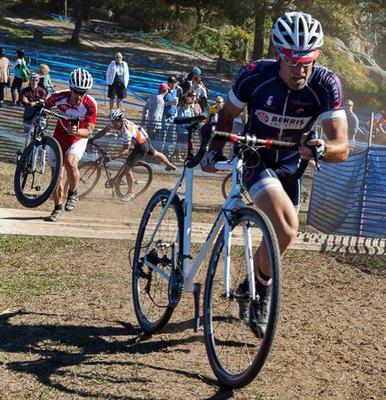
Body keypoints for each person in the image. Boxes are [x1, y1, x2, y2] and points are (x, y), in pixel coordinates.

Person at [201, 11, 349, 337]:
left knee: (282, 236)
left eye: (307, 61)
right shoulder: (254, 74)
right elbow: (226, 116)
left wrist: (323, 147)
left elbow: (342, 145)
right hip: (255, 156)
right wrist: (217, 150)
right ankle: (262, 293)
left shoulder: (326, 84)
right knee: (286, 225)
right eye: (292, 61)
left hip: (293, 166)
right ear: (277, 55)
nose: (301, 69)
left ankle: (253, 286)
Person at [44, 68, 97, 222]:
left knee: (70, 161)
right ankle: (57, 207)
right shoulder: (59, 97)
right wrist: (40, 116)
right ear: (71, 89)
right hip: (59, 136)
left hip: (77, 136)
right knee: (56, 175)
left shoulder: (90, 104)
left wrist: (75, 132)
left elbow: (88, 131)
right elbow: (45, 106)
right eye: (77, 92)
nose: (80, 96)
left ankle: (73, 193)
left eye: (84, 92)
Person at [91, 109, 176, 201]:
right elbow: (103, 131)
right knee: (155, 153)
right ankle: (168, 164)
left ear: (120, 120)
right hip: (143, 137)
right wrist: (92, 138)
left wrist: (112, 157)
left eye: (115, 122)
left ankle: (131, 192)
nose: (113, 124)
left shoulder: (126, 131)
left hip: (141, 146)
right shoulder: (117, 123)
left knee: (128, 168)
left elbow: (125, 151)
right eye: (112, 122)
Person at [20, 72, 47, 147]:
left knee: (39, 136)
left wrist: (33, 103)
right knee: (27, 136)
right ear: (29, 80)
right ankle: (26, 154)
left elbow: (42, 102)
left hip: (40, 115)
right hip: (28, 115)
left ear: (39, 80)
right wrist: (35, 103)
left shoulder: (42, 91)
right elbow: (25, 102)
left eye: (37, 80)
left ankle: (37, 153)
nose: (35, 81)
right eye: (33, 79)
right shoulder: (25, 90)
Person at [141, 82, 168, 147]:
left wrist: (143, 120)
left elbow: (145, 108)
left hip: (148, 122)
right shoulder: (160, 100)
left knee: (148, 140)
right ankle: (150, 156)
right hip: (155, 124)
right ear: (165, 91)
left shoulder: (152, 97)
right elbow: (156, 113)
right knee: (153, 143)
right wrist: (154, 126)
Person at [161, 75, 179, 155]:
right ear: (170, 83)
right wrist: (170, 103)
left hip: (173, 116)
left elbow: (175, 104)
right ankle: (161, 150)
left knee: (170, 136)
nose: (175, 84)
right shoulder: (164, 91)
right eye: (174, 83)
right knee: (163, 135)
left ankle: (166, 151)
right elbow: (160, 104)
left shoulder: (175, 91)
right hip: (166, 115)